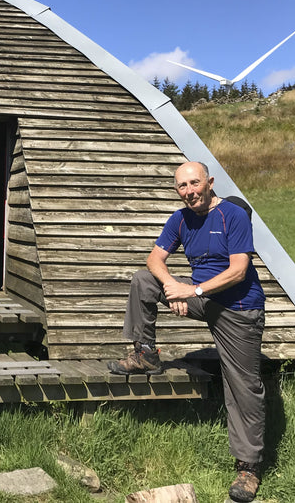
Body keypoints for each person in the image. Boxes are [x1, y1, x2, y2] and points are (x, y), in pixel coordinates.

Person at [109, 161, 266, 503]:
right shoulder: (180, 219)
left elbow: (239, 271)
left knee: (242, 386)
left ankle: (248, 467)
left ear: (209, 182)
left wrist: (192, 292)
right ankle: (146, 354)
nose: (190, 191)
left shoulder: (233, 215)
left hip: (238, 310)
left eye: (195, 183)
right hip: (200, 296)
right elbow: (155, 258)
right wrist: (172, 285)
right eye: (182, 186)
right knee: (144, 281)